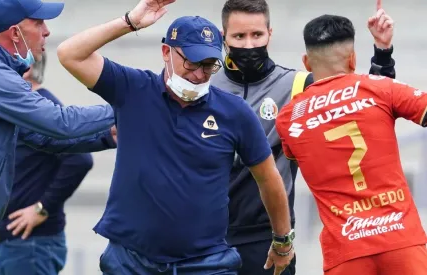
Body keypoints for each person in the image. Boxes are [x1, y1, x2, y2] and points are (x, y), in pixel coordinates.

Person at [57, 0, 295, 274]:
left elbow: (268, 178)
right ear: (166, 52)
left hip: (206, 263)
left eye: (209, 66)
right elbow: (69, 54)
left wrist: (282, 239)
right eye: (192, 63)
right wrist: (129, 22)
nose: (198, 75)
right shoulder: (132, 89)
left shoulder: (234, 111)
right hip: (131, 260)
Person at [210, 0, 397, 274]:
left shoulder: (298, 85)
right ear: (223, 36)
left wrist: (382, 52)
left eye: (257, 35)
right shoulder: (204, 85)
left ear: (269, 34)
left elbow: (361, 102)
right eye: (239, 36)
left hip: (269, 238)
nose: (249, 45)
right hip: (206, 237)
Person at [0, 0, 116, 274]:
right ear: (14, 32)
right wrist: (129, 103)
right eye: (38, 23)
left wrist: (107, 136)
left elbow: (43, 138)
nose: (46, 31)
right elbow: (60, 123)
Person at [275, 14, 427, 275]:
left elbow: (293, 153)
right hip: (401, 241)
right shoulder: (380, 88)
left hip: (345, 252)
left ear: (306, 63)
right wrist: (382, 52)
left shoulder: (289, 118)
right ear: (354, 59)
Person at [0, 52, 117, 275]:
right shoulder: (23, 110)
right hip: (18, 244)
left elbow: (79, 159)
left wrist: (42, 208)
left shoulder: (42, 107)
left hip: (31, 245)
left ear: (26, 67)